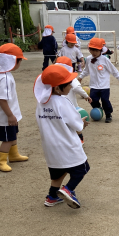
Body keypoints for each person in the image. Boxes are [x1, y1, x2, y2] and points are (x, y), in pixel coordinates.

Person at [34, 64, 90, 209]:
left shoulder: (41, 103)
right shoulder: (63, 102)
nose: (71, 86)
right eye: (68, 83)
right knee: (82, 168)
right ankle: (68, 190)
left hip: (50, 147)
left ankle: (52, 197)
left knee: (58, 173)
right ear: (58, 88)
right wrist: (82, 124)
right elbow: (77, 125)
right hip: (67, 144)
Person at [0, 43, 29, 172]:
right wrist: (9, 114)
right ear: (13, 61)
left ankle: (14, 155)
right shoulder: (4, 78)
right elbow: (2, 98)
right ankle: (1, 161)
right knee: (7, 139)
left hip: (8, 113)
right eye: (19, 60)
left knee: (13, 134)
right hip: (6, 116)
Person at [78, 37, 119, 123]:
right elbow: (86, 70)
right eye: (92, 50)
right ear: (89, 49)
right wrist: (80, 77)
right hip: (93, 85)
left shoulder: (105, 59)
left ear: (101, 50)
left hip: (104, 86)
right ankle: (99, 108)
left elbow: (113, 70)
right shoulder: (88, 59)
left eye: (96, 50)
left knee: (105, 100)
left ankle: (108, 114)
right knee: (92, 100)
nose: (94, 52)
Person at [55, 56, 92, 144]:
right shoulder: (70, 77)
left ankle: (64, 141)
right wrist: (86, 96)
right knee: (75, 123)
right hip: (70, 105)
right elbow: (77, 87)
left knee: (62, 124)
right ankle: (80, 139)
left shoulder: (54, 77)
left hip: (57, 106)